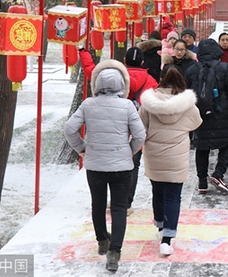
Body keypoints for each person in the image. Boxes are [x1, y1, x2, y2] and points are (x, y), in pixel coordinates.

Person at [63, 59, 146, 272]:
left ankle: (102, 240)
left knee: (97, 204)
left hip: (95, 165)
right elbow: (139, 135)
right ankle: (115, 252)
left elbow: (69, 129)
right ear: (122, 84)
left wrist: (82, 148)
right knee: (118, 208)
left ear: (97, 85)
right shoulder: (128, 105)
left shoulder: (88, 104)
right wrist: (130, 151)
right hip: (121, 167)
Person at [79, 47, 158, 214]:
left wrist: (83, 52)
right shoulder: (150, 81)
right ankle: (125, 202)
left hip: (114, 127)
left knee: (109, 164)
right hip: (137, 129)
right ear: (143, 63)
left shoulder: (115, 78)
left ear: (124, 61)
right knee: (133, 166)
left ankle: (107, 199)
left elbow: (91, 71)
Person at [139, 67, 202, 256]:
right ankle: (167, 239)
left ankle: (160, 225)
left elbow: (141, 127)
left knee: (157, 191)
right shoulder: (187, 104)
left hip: (155, 154)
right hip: (177, 155)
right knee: (173, 196)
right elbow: (197, 122)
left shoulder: (148, 104)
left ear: (160, 80)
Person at [185, 39, 228, 193]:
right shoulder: (224, 68)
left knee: (202, 147)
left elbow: (186, 94)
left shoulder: (192, 70)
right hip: (222, 112)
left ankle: (202, 182)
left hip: (200, 114)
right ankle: (218, 173)